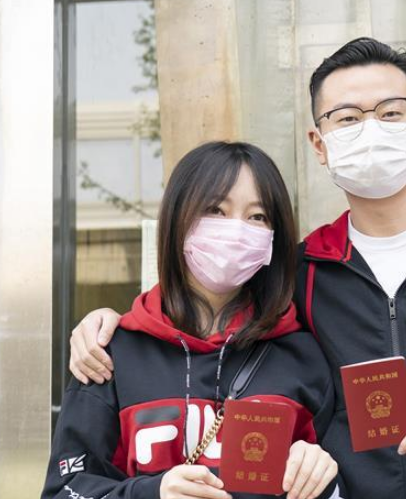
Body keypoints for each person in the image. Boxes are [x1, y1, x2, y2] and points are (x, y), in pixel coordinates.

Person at [68, 38, 406, 499]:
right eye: (347, 118)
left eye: (390, 112)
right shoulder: (298, 271)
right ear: (319, 144)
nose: (371, 130)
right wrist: (108, 323)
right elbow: (204, 315)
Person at [42, 142, 342, 499]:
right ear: (177, 218)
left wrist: (323, 479)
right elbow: (65, 490)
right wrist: (151, 494)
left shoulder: (302, 357)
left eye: (258, 216)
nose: (236, 230)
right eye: (215, 210)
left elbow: (350, 481)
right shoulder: (110, 355)